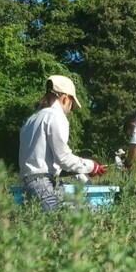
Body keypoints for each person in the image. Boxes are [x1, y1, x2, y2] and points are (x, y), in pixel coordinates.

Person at [18, 74, 105, 211]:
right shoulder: (56, 117)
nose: (70, 110)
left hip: (26, 183)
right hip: (42, 184)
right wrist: (91, 166)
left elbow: (47, 161)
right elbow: (63, 158)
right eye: (72, 105)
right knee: (65, 220)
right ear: (65, 98)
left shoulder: (32, 119)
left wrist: (80, 171)